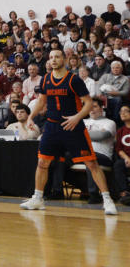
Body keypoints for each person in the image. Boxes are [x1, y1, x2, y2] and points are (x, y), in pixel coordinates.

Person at [20, 49, 117, 215]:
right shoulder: (46, 80)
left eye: (57, 57)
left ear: (64, 59)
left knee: (91, 163)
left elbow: (88, 103)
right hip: (51, 127)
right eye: (50, 57)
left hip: (73, 126)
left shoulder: (74, 80)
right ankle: (37, 198)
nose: (53, 60)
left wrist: (77, 117)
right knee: (42, 163)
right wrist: (31, 116)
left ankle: (107, 200)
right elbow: (41, 101)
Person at [83, 98, 116, 204]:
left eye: (95, 106)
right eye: (89, 107)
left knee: (90, 157)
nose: (92, 109)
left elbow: (102, 135)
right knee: (58, 157)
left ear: (102, 108)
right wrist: (93, 134)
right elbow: (71, 136)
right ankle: (56, 191)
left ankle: (94, 194)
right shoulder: (83, 121)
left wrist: (82, 134)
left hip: (103, 156)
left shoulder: (109, 122)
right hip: (82, 152)